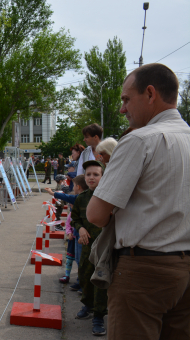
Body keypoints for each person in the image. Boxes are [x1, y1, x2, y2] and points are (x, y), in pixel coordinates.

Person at [87, 63, 190, 340]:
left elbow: (96, 214)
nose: (123, 109)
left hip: (144, 272)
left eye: (126, 99)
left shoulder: (140, 141)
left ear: (150, 93)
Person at [72, 160, 107, 336]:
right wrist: (81, 228)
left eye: (96, 174)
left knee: (100, 279)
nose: (91, 177)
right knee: (85, 275)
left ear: (103, 176)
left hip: (105, 247)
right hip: (87, 246)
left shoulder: (109, 197)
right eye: (88, 175)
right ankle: (88, 305)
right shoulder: (81, 198)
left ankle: (99, 316)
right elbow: (75, 219)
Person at [45, 175, 88, 286]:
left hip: (82, 234)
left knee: (81, 260)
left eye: (73, 186)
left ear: (78, 187)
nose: (72, 188)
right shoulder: (82, 197)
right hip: (77, 234)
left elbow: (65, 197)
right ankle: (80, 282)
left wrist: (51, 193)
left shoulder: (80, 198)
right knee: (79, 259)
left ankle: (82, 284)